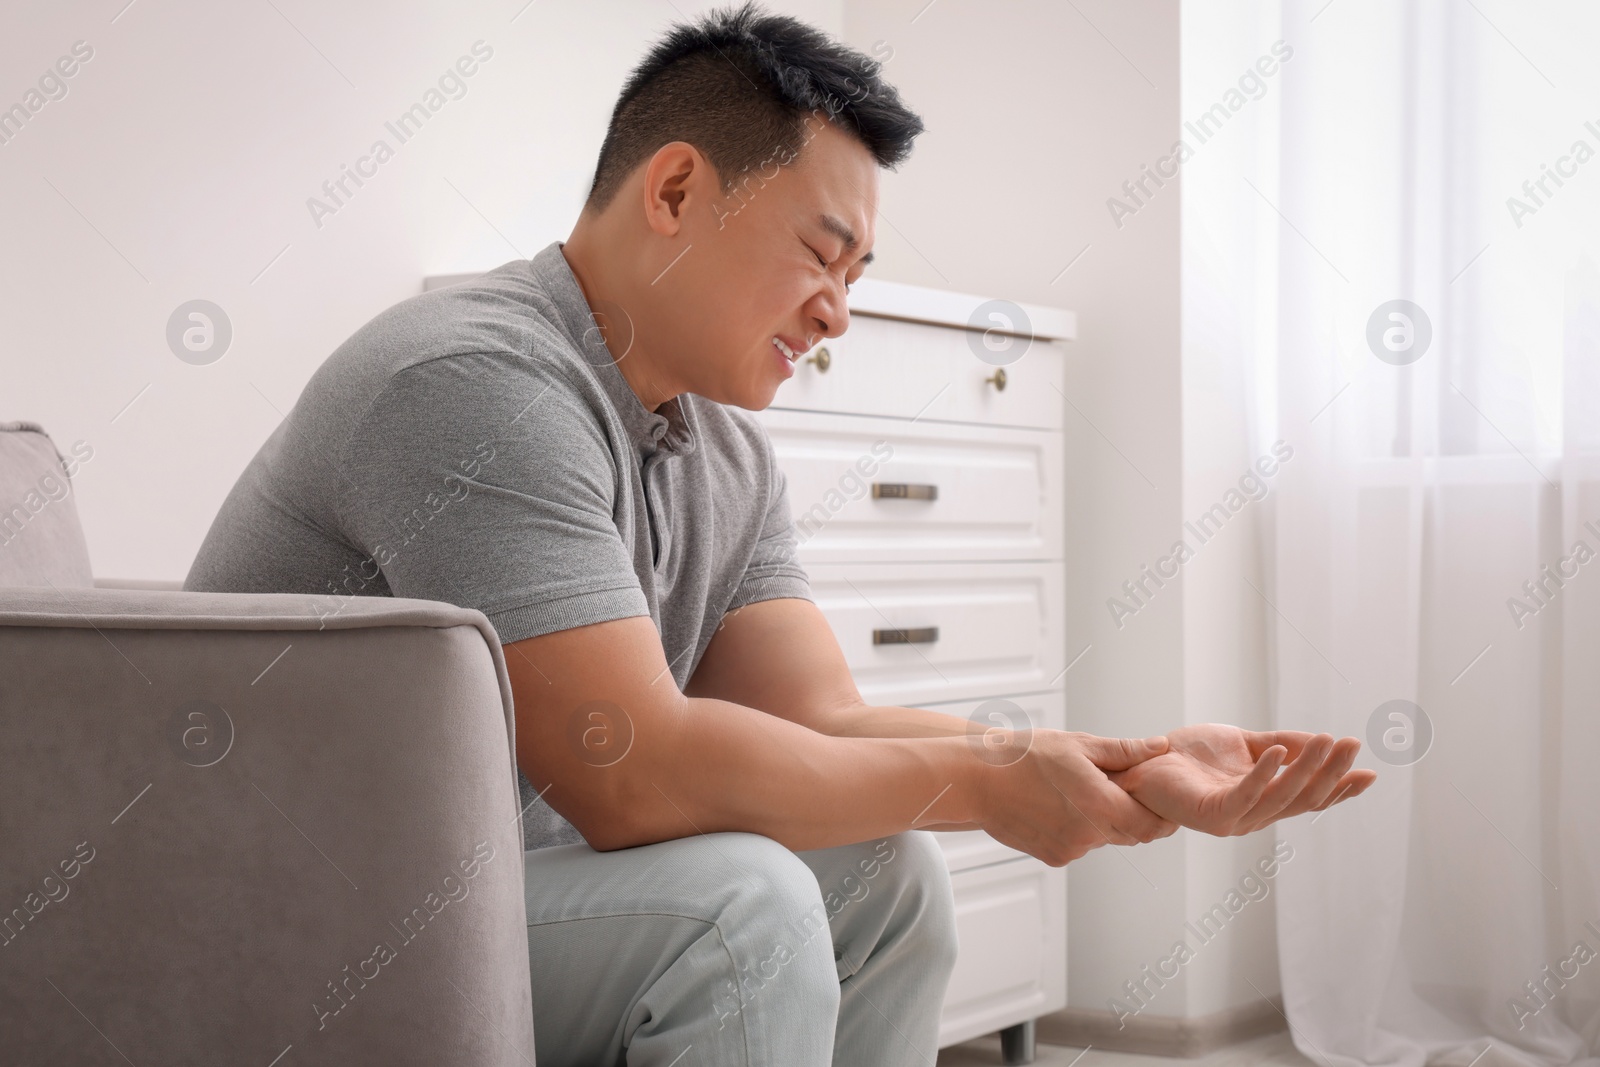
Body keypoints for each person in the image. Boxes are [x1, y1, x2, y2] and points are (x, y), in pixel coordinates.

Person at [186, 4, 1377, 1063]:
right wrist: (989, 779)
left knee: (888, 875)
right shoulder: (472, 382)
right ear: (672, 192)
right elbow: (632, 776)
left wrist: (1119, 759)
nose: (838, 313)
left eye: (857, 272)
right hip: (292, 925)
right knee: (737, 902)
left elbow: (823, 719)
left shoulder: (722, 449)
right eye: (822, 253)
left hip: (484, 896)